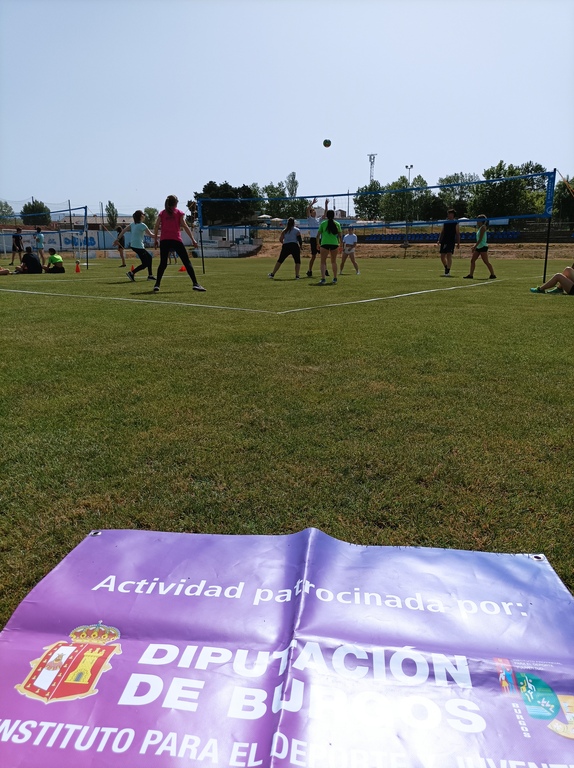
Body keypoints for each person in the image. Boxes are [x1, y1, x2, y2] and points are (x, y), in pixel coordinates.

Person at [153, 195, 205, 293]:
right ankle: (195, 284)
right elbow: (185, 226)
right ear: (176, 203)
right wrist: (193, 239)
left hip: (164, 240)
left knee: (163, 263)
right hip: (176, 240)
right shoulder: (179, 213)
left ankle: (157, 284)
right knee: (186, 262)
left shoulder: (162, 213)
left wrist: (155, 239)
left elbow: (156, 226)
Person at [115, 210, 156, 283]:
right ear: (141, 216)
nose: (144, 216)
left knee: (149, 258)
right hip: (138, 246)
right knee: (145, 264)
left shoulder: (132, 224)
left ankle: (150, 275)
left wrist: (118, 239)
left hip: (134, 245)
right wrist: (162, 236)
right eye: (143, 215)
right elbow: (152, 235)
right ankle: (131, 273)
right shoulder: (142, 225)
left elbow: (123, 230)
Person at [464, 215, 496, 279]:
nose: (477, 221)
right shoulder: (480, 228)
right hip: (479, 247)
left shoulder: (483, 227)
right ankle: (471, 275)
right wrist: (475, 246)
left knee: (486, 261)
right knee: (472, 260)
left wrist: (474, 246)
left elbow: (480, 239)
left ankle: (492, 274)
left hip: (483, 246)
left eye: (478, 220)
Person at [317, 208, 342, 284]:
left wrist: (317, 244)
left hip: (324, 244)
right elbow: (340, 236)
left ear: (327, 216)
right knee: (333, 262)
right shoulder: (337, 224)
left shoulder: (323, 223)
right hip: (334, 244)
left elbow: (318, 235)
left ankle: (323, 279)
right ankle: (335, 278)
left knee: (323, 262)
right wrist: (341, 245)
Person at [306, 198, 328, 277]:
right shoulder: (310, 219)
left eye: (315, 211)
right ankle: (309, 271)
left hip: (320, 239)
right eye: (313, 211)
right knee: (314, 256)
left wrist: (326, 204)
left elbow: (325, 214)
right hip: (313, 239)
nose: (315, 212)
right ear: (311, 213)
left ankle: (325, 270)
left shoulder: (319, 219)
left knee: (323, 255)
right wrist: (312, 203)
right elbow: (307, 209)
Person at [436, 209, 460, 276]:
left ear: (453, 215)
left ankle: (448, 271)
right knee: (442, 256)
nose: (448, 215)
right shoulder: (445, 222)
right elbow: (442, 232)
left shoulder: (456, 223)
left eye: (450, 214)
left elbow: (458, 234)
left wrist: (458, 243)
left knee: (449, 255)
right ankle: (446, 267)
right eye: (448, 214)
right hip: (444, 241)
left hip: (451, 241)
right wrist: (439, 240)